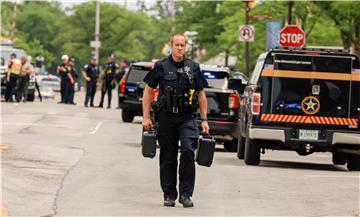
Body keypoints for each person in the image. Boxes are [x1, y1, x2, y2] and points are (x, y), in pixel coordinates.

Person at [142, 33, 209, 208]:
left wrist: (204, 119)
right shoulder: (161, 66)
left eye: (183, 45)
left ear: (185, 47)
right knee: (168, 156)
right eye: (177, 44)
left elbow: (201, 94)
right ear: (171, 46)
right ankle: (169, 194)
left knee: (188, 151)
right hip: (166, 117)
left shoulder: (193, 67)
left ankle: (186, 194)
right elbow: (148, 91)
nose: (180, 48)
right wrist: (146, 117)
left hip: (187, 117)